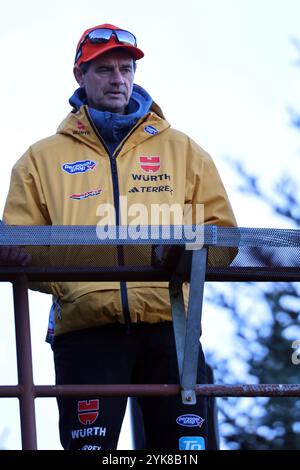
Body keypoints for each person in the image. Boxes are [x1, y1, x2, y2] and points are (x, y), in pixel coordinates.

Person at [2, 23, 237, 450]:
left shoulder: (182, 149)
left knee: (182, 455)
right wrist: (44, 272)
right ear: (80, 75)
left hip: (172, 329)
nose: (118, 79)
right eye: (105, 69)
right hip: (85, 329)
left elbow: (224, 238)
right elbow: (18, 247)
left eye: (126, 68)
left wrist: (186, 252)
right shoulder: (40, 158)